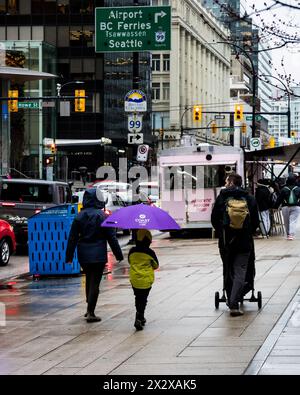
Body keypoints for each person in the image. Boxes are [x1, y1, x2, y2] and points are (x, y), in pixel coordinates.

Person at [66, 188, 124, 322]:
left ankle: (88, 308)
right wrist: (118, 255)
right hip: (98, 255)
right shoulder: (103, 216)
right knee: (95, 283)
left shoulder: (79, 216)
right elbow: (112, 237)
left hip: (83, 255)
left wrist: (69, 256)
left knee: (89, 279)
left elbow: (72, 238)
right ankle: (91, 312)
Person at [211, 173, 260, 317]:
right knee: (240, 270)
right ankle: (234, 302)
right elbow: (256, 222)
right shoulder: (249, 198)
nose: (225, 183)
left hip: (226, 242)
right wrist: (247, 232)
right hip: (244, 242)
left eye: (226, 181)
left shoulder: (222, 198)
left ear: (230, 182)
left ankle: (230, 297)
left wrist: (222, 232)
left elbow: (214, 219)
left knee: (228, 269)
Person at [128, 229, 159, 330]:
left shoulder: (132, 251)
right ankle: (139, 316)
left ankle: (140, 316)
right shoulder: (150, 252)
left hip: (134, 279)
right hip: (146, 280)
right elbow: (156, 265)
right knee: (143, 298)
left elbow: (130, 261)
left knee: (137, 297)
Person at [274, 174, 300, 240]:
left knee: (286, 221)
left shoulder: (284, 189)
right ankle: (291, 235)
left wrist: (275, 206)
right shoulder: (298, 189)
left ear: (287, 181)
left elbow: (279, 199)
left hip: (285, 207)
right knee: (293, 221)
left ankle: (288, 234)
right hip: (296, 206)